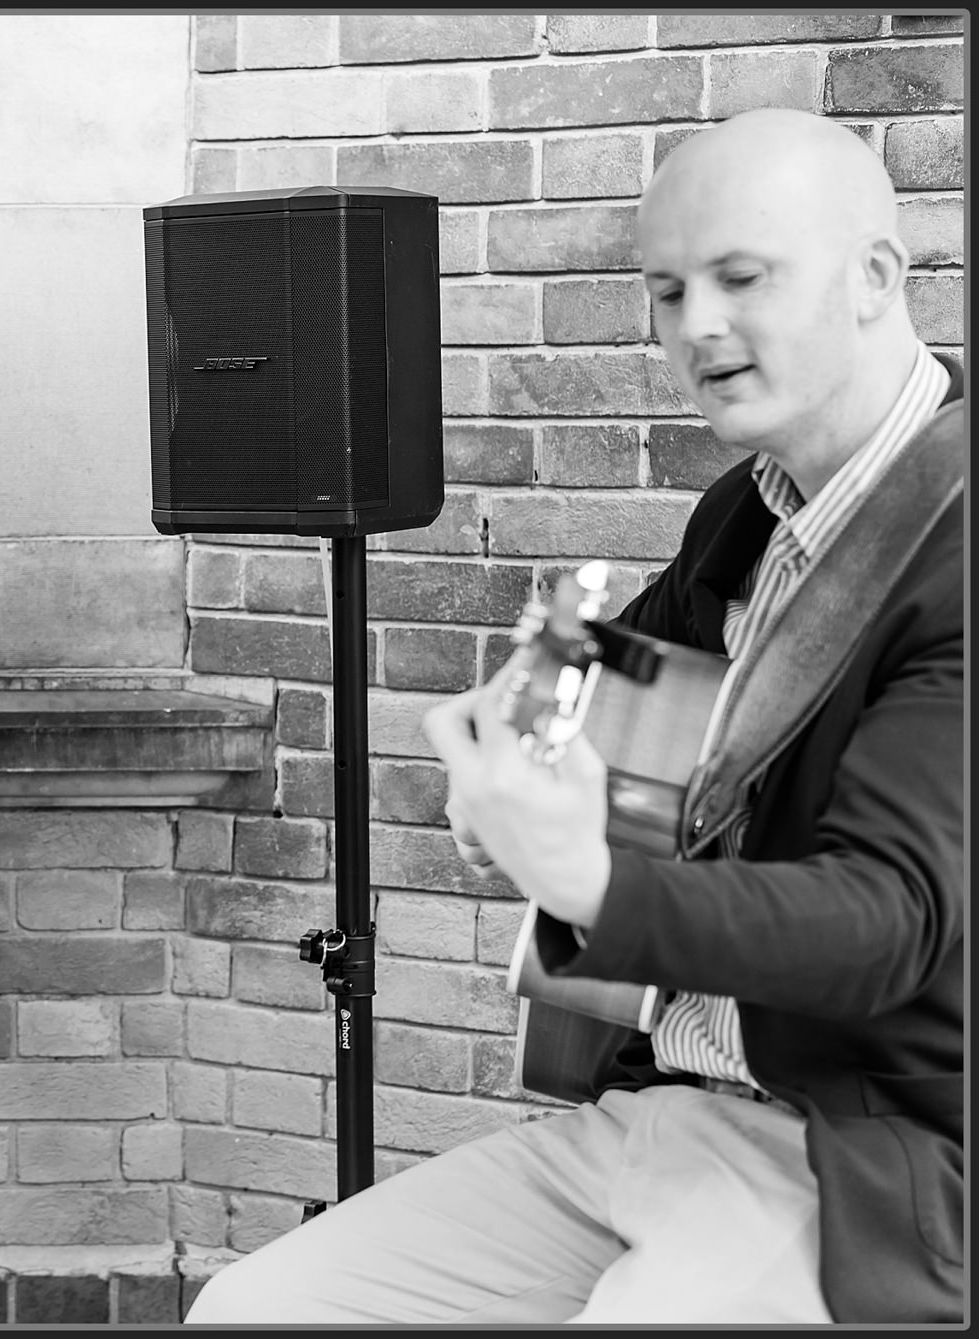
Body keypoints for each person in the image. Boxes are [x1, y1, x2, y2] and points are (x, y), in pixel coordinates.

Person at [185, 108, 962, 1325]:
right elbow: (598, 676)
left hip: (856, 1155)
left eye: (739, 277)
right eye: (663, 291)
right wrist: (521, 711)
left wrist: (591, 879)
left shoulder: (956, 547)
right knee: (254, 1311)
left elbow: (884, 923)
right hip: (655, 1106)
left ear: (873, 278)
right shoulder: (747, 510)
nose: (694, 326)